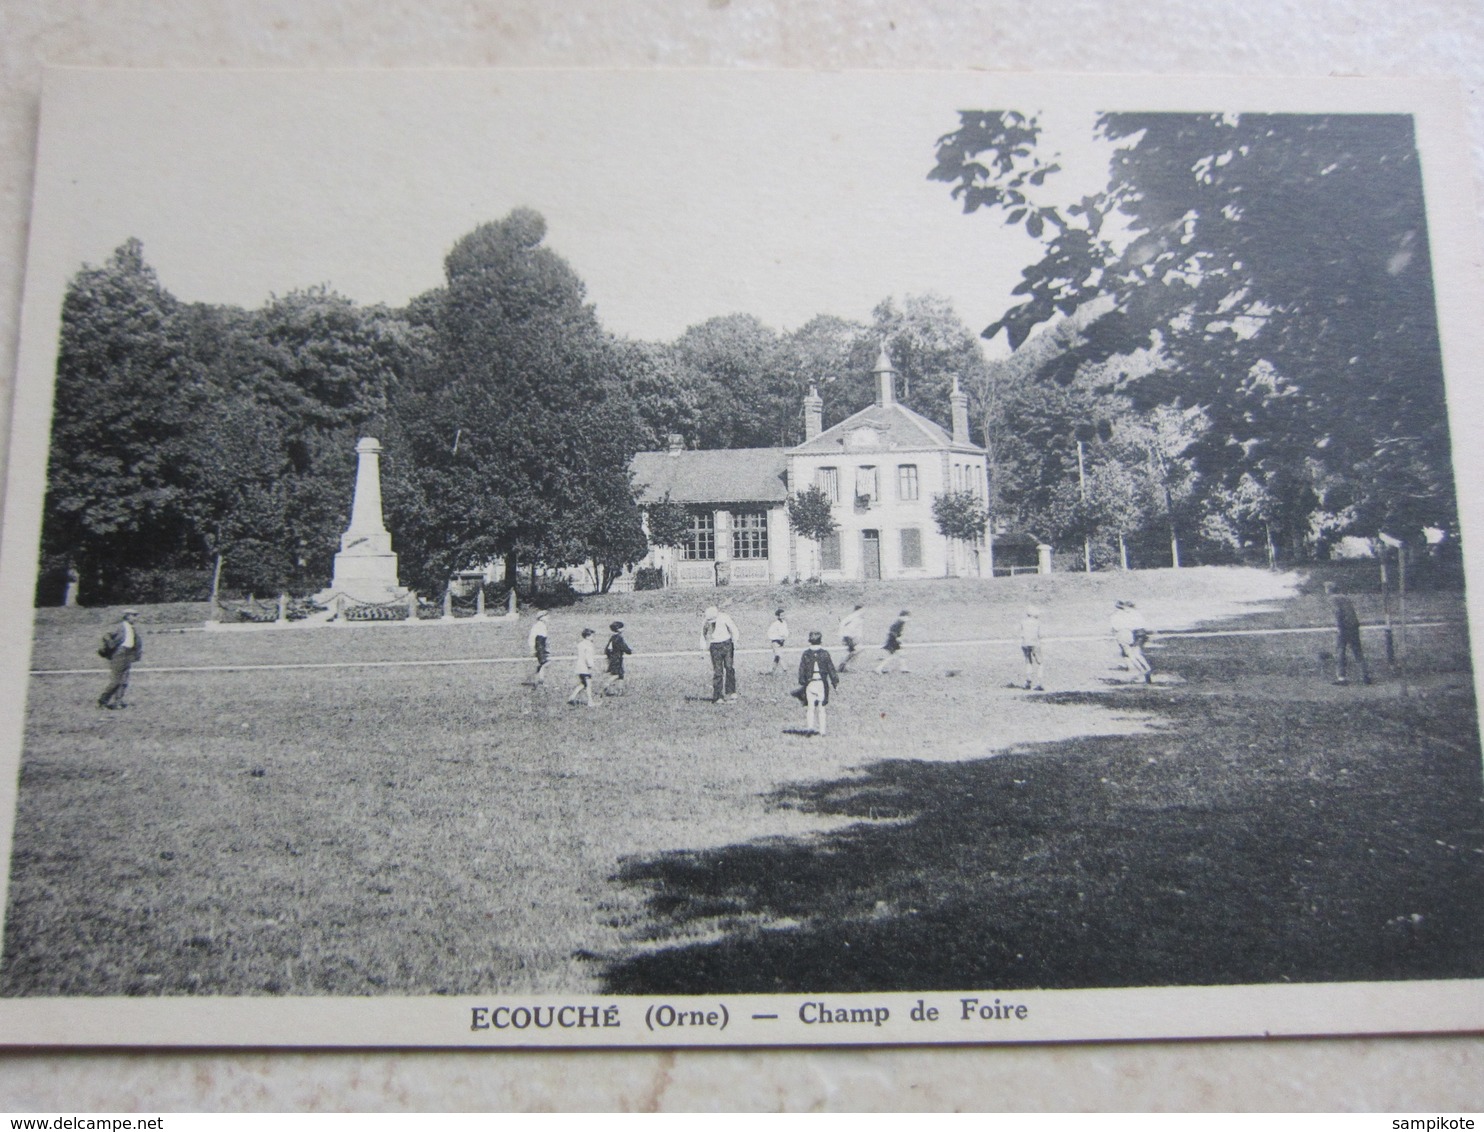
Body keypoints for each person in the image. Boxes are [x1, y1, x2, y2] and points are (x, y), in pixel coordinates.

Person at [1326, 581, 1372, 685]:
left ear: (1329, 589)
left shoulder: (1333, 599)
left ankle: (1341, 678)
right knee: (1358, 652)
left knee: (1340, 652)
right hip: (1354, 626)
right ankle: (1365, 675)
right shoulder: (1345, 597)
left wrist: (1339, 627)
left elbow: (1338, 612)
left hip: (1344, 628)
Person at [794, 630, 840, 735]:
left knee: (810, 707)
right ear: (821, 641)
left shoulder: (806, 654)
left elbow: (802, 669)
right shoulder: (824, 654)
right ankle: (822, 730)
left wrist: (802, 681)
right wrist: (835, 683)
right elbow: (831, 669)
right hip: (821, 683)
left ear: (810, 641)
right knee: (821, 707)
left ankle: (810, 727)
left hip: (810, 683)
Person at [98, 609, 143, 710]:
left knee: (124, 680)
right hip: (119, 654)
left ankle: (118, 701)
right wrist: (111, 645)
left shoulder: (132, 628)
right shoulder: (120, 626)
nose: (136, 618)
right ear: (127, 616)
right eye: (134, 615)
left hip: (128, 654)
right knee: (116, 681)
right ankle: (103, 701)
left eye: (136, 615)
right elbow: (107, 635)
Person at [701, 605, 741, 702]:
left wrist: (735, 641)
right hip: (714, 646)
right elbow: (703, 635)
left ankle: (731, 692)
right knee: (718, 671)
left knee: (729, 667)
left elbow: (734, 629)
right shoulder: (706, 621)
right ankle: (718, 696)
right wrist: (702, 649)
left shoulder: (724, 617)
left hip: (726, 644)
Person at [1111, 600, 1152, 684]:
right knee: (1137, 653)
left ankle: (1142, 671)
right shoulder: (1132, 613)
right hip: (1134, 633)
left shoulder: (1117, 615)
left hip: (1124, 634)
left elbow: (1115, 627)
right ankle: (1147, 669)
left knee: (1130, 655)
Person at [567, 628, 598, 706]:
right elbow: (588, 657)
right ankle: (590, 702)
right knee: (588, 685)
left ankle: (572, 697)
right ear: (587, 636)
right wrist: (591, 665)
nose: (593, 638)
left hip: (579, 667)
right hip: (585, 667)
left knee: (583, 684)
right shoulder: (589, 646)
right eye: (592, 636)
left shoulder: (580, 644)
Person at [875, 610, 912, 675]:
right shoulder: (898, 624)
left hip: (893, 642)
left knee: (901, 654)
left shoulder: (900, 623)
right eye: (907, 617)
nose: (908, 619)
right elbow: (895, 633)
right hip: (893, 642)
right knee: (892, 656)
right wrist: (899, 641)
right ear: (903, 616)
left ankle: (904, 668)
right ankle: (878, 668)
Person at [603, 620, 633, 695]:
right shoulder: (619, 638)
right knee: (617, 674)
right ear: (619, 629)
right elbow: (624, 647)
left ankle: (620, 691)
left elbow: (607, 649)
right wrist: (629, 651)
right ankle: (606, 684)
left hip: (613, 658)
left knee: (621, 675)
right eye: (622, 628)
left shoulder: (612, 637)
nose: (624, 629)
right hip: (617, 658)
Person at [1020, 605, 1045, 691]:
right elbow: (1040, 635)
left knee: (1028, 662)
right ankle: (1039, 683)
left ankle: (1028, 681)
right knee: (1040, 663)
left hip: (1025, 643)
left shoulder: (1023, 622)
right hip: (1035, 643)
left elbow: (1022, 633)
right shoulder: (1037, 622)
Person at [838, 604, 866, 673]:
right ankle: (847, 666)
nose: (864, 612)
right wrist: (854, 638)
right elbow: (851, 629)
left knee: (855, 650)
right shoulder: (856, 618)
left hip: (847, 636)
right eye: (862, 610)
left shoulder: (853, 617)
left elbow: (842, 624)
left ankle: (843, 665)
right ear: (858, 610)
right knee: (857, 650)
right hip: (848, 637)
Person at [526, 609, 551, 685]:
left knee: (543, 663)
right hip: (539, 646)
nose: (548, 617)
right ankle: (539, 679)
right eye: (546, 616)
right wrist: (532, 648)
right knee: (545, 663)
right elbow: (532, 638)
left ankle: (536, 678)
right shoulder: (537, 626)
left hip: (542, 646)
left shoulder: (543, 625)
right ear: (541, 617)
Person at [767, 608, 788, 675]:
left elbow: (786, 632)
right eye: (781, 615)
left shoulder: (784, 623)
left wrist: (784, 638)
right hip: (775, 642)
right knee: (779, 655)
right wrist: (778, 638)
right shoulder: (775, 624)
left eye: (784, 615)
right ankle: (785, 670)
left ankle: (772, 670)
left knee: (777, 657)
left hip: (781, 641)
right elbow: (770, 633)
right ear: (778, 616)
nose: (783, 617)